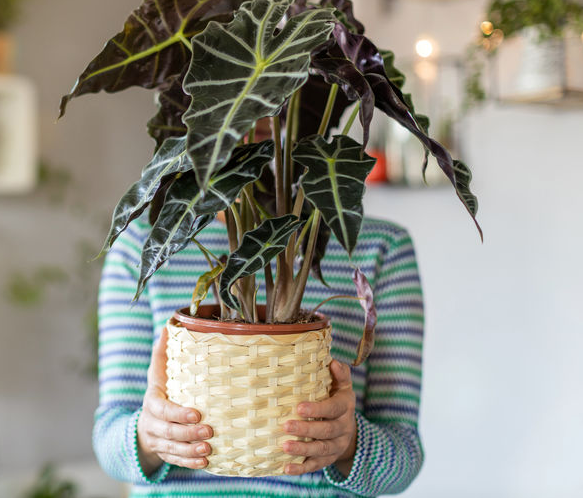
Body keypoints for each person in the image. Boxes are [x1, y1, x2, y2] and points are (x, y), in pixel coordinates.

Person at [94, 212, 425, 497]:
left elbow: (405, 456)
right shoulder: (148, 242)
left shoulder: (381, 246)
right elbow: (109, 440)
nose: (251, 134)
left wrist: (349, 443)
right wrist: (149, 435)